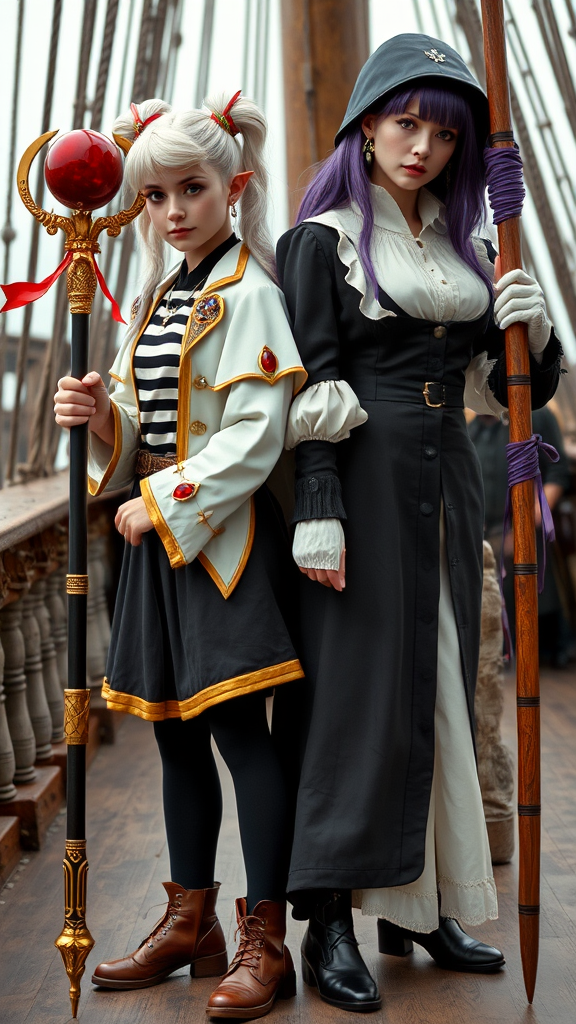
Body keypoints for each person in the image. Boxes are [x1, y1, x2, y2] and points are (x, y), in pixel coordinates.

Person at [274, 33, 563, 1013]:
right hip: (362, 481)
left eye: (444, 134)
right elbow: (312, 378)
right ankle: (329, 923)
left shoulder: (462, 243)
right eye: (406, 123)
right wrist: (319, 502)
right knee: (359, 701)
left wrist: (533, 328)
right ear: (367, 120)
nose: (423, 147)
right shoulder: (325, 241)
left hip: (447, 487)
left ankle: (421, 904)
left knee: (443, 687)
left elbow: (499, 385)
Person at [54, 91, 307, 1021]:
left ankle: (265, 933)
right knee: (172, 733)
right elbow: (138, 416)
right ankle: (189, 920)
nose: (172, 212)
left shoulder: (250, 293)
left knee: (242, 734)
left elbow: (258, 429)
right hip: (159, 541)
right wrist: (98, 419)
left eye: (191, 189)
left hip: (217, 538)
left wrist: (159, 502)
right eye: (154, 196)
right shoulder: (165, 295)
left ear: (233, 186)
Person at [469, 404, 573, 665]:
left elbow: (557, 475)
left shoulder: (535, 415)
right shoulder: (472, 430)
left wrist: (525, 527)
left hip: (531, 532)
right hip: (484, 540)